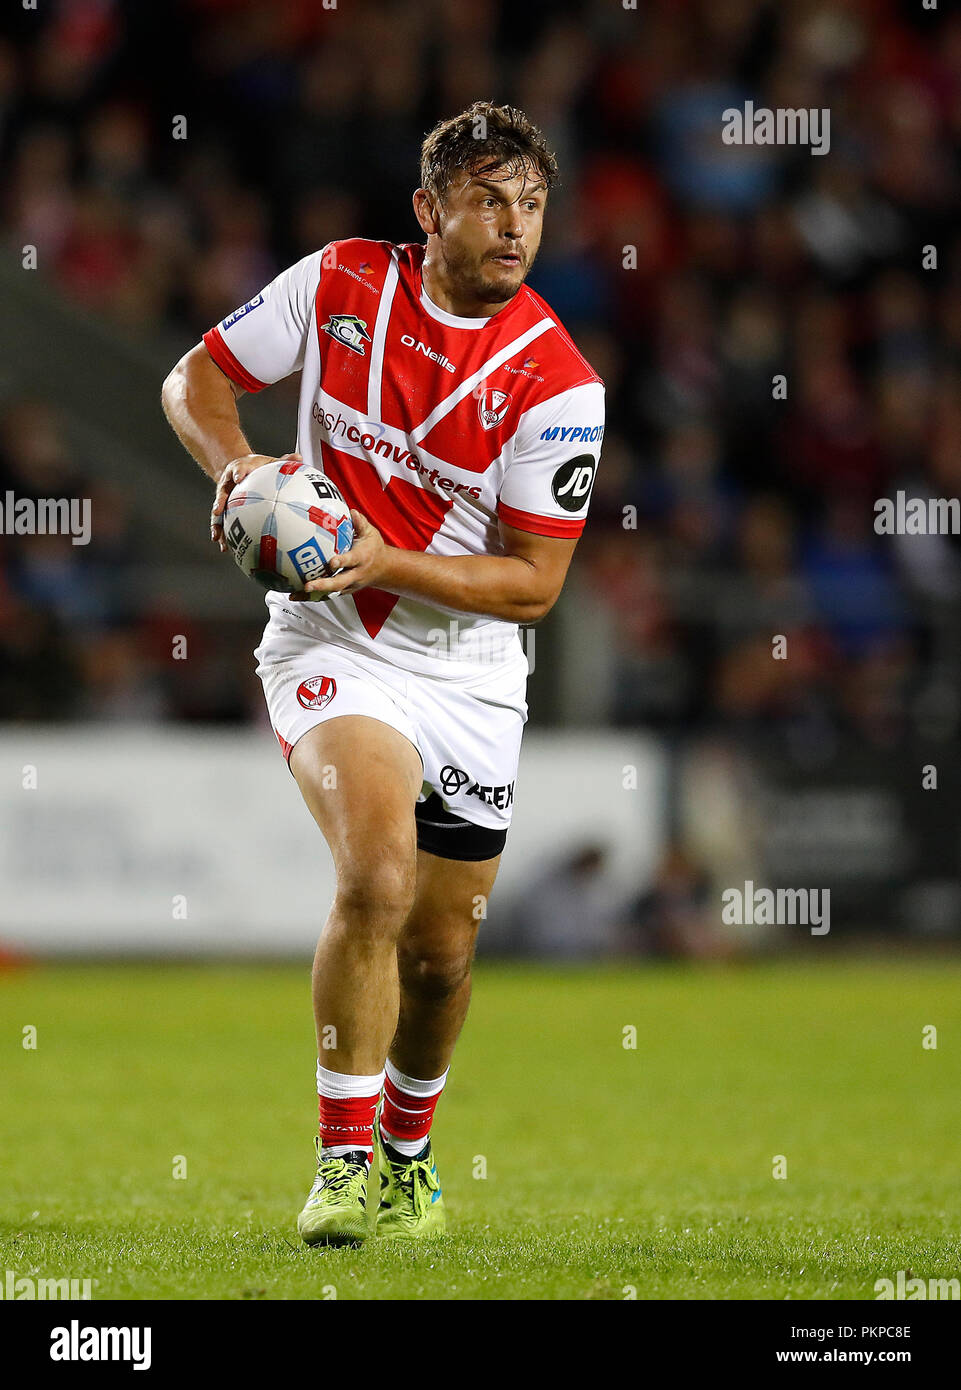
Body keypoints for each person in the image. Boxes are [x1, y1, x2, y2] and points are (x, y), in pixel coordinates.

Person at [161, 101, 605, 1247]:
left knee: (444, 951)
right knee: (375, 876)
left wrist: (386, 553)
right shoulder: (341, 283)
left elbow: (533, 583)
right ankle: (342, 1163)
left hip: (466, 672)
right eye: (489, 200)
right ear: (428, 209)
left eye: (532, 205)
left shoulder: (557, 383)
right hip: (330, 639)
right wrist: (243, 470)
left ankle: (409, 1154)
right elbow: (193, 384)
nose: (514, 226)